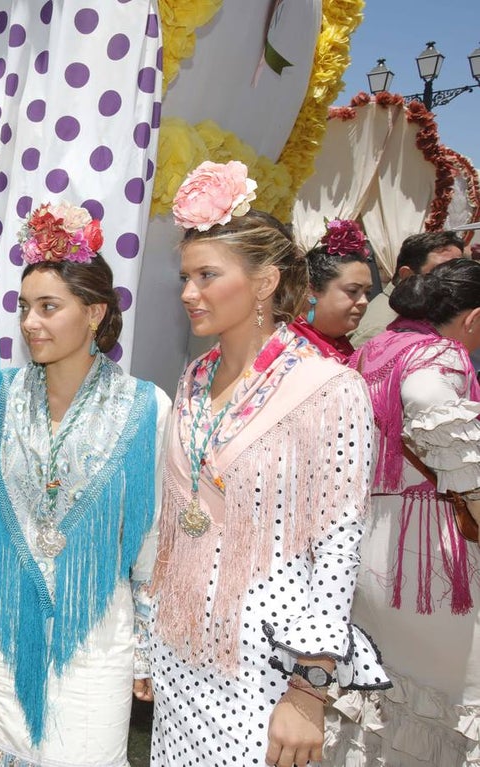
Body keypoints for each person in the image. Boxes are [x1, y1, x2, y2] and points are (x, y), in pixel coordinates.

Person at [149, 161, 387, 767]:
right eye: (184, 275)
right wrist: (148, 639)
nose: (187, 292)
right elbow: (176, 522)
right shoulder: (195, 378)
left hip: (271, 662)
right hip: (182, 650)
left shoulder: (328, 389)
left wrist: (309, 692)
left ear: (263, 283)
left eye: (207, 275)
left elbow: (338, 548)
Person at [0, 203, 170, 765]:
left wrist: (147, 651)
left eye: (49, 307)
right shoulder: (0, 397)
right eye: (24, 307)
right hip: (2, 623)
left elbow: (154, 538)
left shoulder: (145, 406)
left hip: (100, 633)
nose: (30, 322)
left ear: (95, 312)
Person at [330, 258, 480, 766]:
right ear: (474, 318)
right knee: (450, 702)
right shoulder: (441, 356)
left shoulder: (375, 350)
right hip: (428, 561)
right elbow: (426, 396)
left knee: (387, 701)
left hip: (371, 546)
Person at [350, 230, 464, 348]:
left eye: (460, 269)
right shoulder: (381, 329)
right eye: (443, 270)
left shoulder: (423, 312)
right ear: (407, 275)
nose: (456, 278)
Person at [289, 219, 373, 363]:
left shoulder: (339, 344)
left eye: (367, 292)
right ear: (310, 291)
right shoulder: (290, 350)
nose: (364, 301)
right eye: (353, 291)